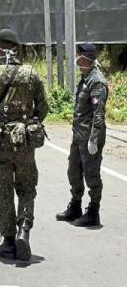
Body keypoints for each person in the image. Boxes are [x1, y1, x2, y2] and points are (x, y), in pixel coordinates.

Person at [0, 28, 48, 261]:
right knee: (26, 188)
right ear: (17, 48)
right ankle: (24, 230)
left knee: (4, 192)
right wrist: (29, 122)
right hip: (24, 141)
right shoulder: (31, 74)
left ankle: (8, 241)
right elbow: (43, 107)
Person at [56, 43, 108, 227]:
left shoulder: (97, 81)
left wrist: (94, 139)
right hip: (78, 135)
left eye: (78, 55)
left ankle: (93, 212)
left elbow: (98, 114)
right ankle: (75, 206)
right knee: (73, 171)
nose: (76, 58)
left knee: (92, 175)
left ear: (85, 58)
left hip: (89, 138)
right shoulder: (85, 78)